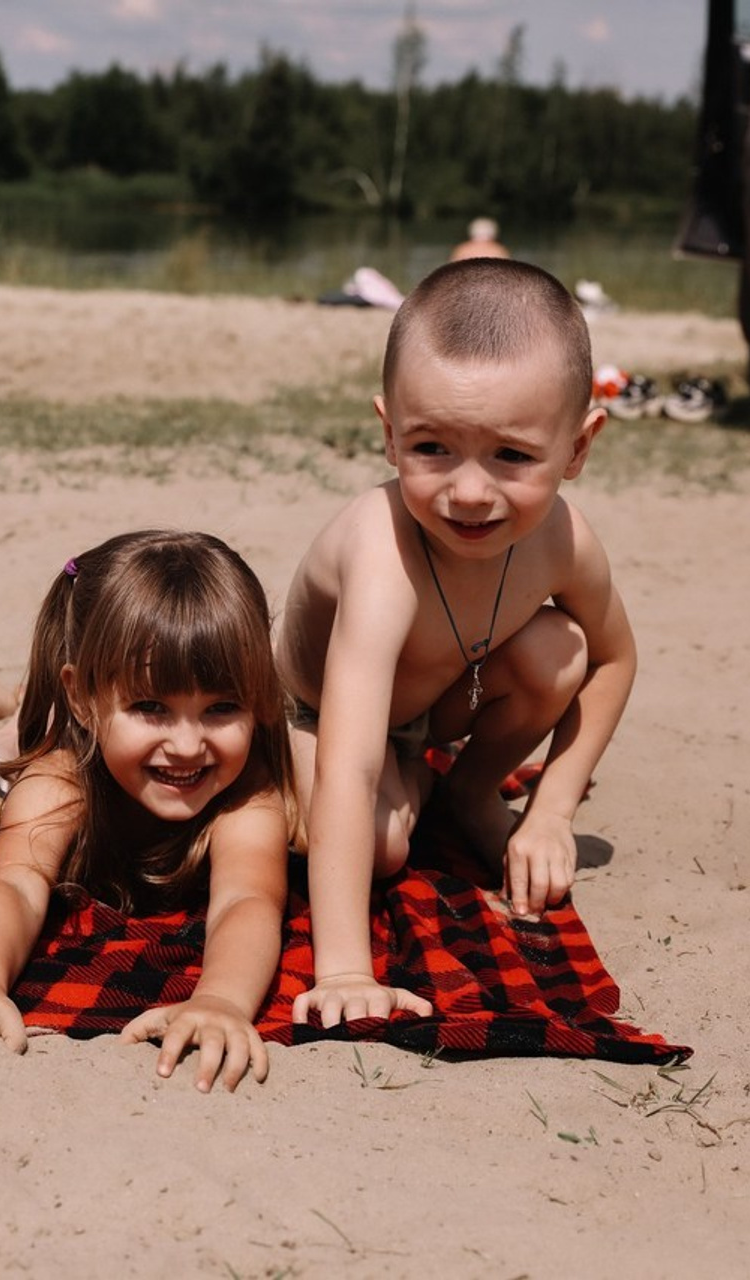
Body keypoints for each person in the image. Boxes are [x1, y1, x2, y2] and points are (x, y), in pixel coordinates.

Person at [277, 259, 636, 1030]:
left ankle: (468, 789)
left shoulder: (564, 542)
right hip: (306, 718)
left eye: (512, 455)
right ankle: (400, 793)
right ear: (387, 433)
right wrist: (343, 968)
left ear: (578, 448)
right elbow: (346, 763)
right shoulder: (382, 555)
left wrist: (551, 812)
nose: (469, 492)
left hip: (422, 717)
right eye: (432, 447)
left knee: (561, 650)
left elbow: (612, 660)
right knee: (381, 848)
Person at [0, 531, 295, 1093]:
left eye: (221, 708)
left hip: (85, 726)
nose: (186, 744)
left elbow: (246, 900)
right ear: (82, 697)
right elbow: (13, 883)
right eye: (151, 707)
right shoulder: (61, 779)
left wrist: (221, 1000)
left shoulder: (247, 792)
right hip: (8, 763)